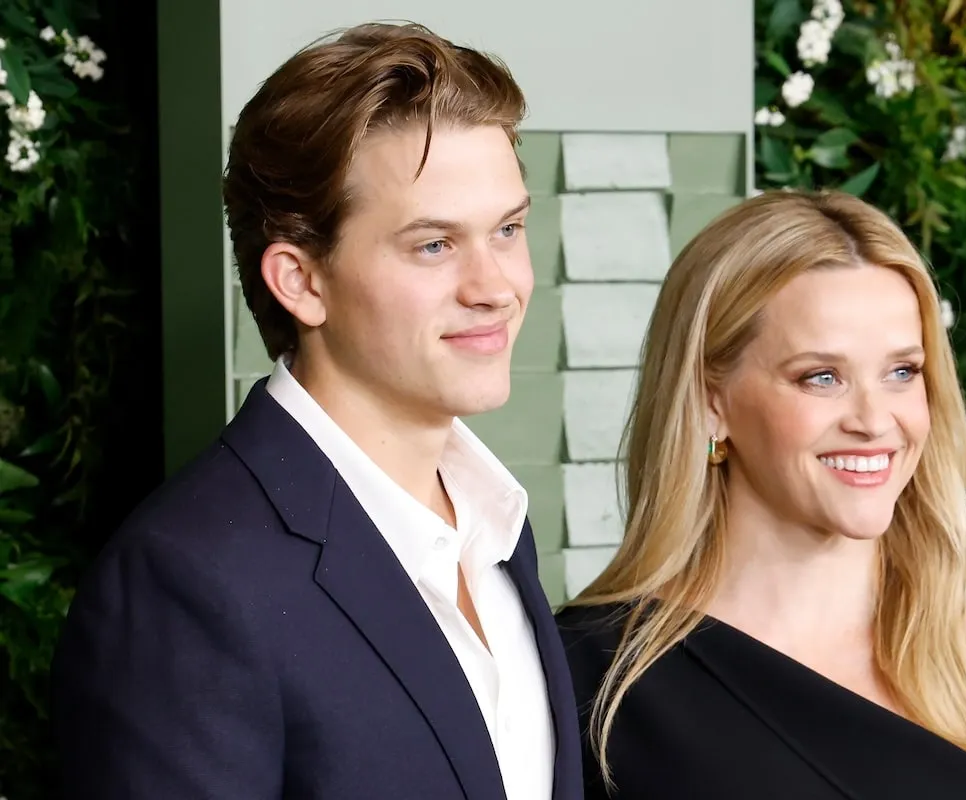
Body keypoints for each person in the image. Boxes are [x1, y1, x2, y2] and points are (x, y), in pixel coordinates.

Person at [53, 22, 583, 800]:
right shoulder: (187, 583)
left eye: (507, 229)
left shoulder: (497, 527)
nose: (495, 285)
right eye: (434, 245)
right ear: (300, 281)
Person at [555, 190, 966, 799]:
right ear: (712, 401)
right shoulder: (589, 677)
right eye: (822, 376)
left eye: (901, 372)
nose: (874, 418)